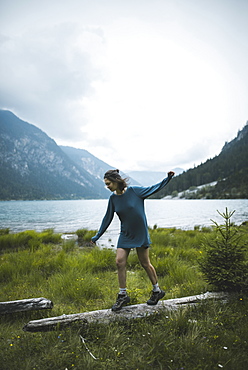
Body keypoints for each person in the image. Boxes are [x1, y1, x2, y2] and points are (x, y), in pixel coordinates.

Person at [91, 169, 175, 311]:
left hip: (140, 233)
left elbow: (154, 188)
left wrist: (168, 179)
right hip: (125, 234)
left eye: (109, 183)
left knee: (145, 263)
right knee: (119, 262)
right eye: (106, 184)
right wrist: (97, 235)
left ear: (116, 181)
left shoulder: (135, 192)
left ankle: (157, 291)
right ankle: (122, 295)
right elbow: (107, 218)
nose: (108, 187)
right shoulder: (112, 199)